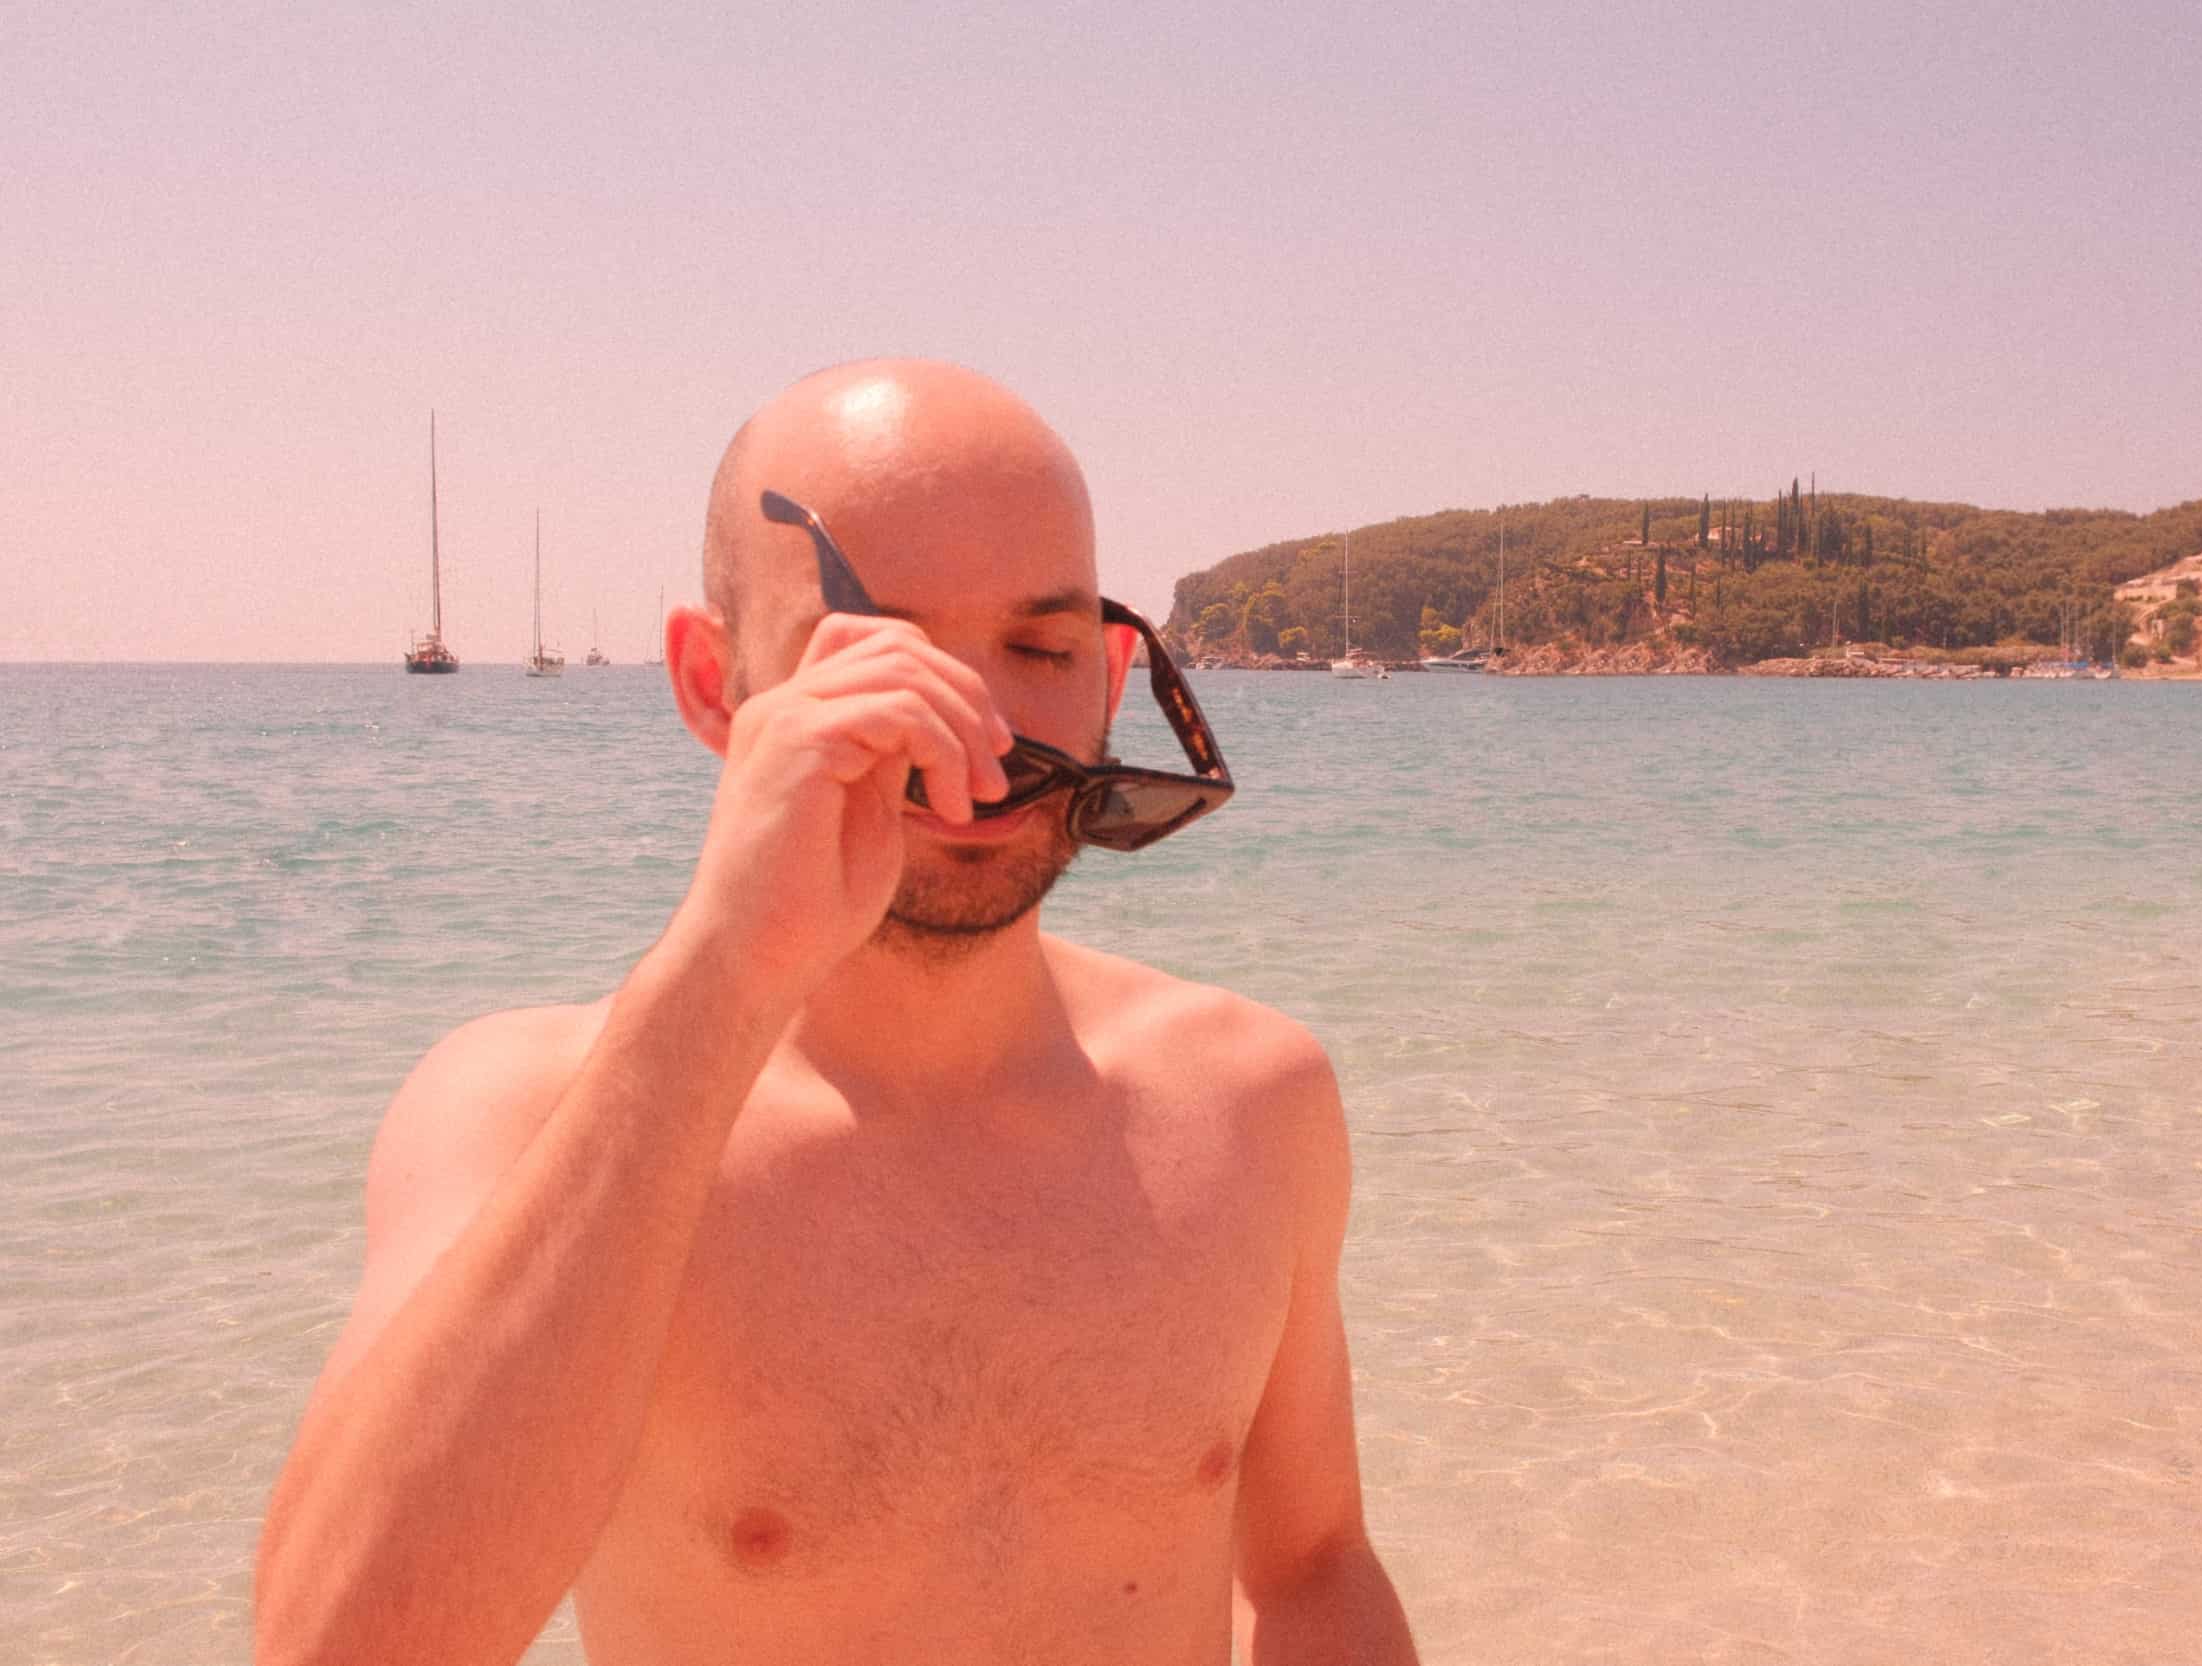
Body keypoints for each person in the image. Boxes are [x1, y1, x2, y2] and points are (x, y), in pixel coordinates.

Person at [254, 359, 1418, 1666]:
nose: (968, 724)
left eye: (1036, 649)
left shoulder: (1251, 1097)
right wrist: (721, 975)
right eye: (878, 656)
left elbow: (1315, 1568)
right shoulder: (517, 1113)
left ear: (1104, 680)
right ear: (713, 684)